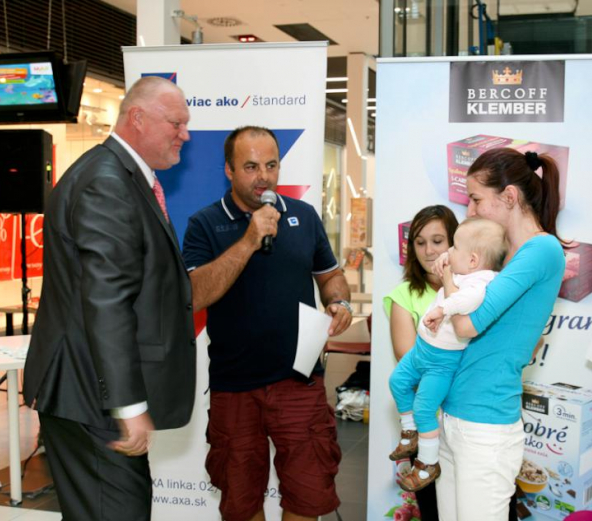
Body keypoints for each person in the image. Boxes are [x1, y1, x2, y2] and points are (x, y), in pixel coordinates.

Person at [23, 76, 196, 521]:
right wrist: (128, 405)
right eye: (176, 123)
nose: (186, 134)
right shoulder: (107, 181)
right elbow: (106, 300)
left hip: (87, 391)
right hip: (91, 394)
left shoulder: (123, 176)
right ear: (137, 118)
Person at [181, 125, 352, 521]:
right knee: (240, 503)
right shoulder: (204, 224)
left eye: (271, 165)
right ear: (228, 170)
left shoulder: (304, 216)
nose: (264, 176)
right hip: (235, 385)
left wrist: (338, 300)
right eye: (251, 166)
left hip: (298, 381)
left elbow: (330, 275)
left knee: (308, 496)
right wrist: (248, 240)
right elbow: (194, 296)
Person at [434, 148, 566, 521]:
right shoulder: (500, 256)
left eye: (476, 200)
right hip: (455, 415)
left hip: (485, 426)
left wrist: (447, 277)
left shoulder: (541, 249)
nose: (470, 212)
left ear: (509, 196)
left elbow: (465, 324)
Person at [389, 218, 507, 492]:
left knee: (424, 409)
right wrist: (447, 265)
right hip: (421, 349)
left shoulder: (482, 281)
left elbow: (467, 303)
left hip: (441, 362)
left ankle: (427, 463)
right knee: (397, 382)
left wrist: (444, 306)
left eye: (451, 246)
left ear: (474, 259)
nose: (444, 253)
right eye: (420, 243)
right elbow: (446, 264)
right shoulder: (462, 271)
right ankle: (409, 432)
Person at [385, 204, 459, 521]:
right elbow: (406, 355)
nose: (428, 251)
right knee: (433, 510)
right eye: (420, 242)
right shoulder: (405, 294)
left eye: (438, 240)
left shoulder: (475, 288)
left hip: (473, 416)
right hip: (429, 420)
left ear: (455, 242)